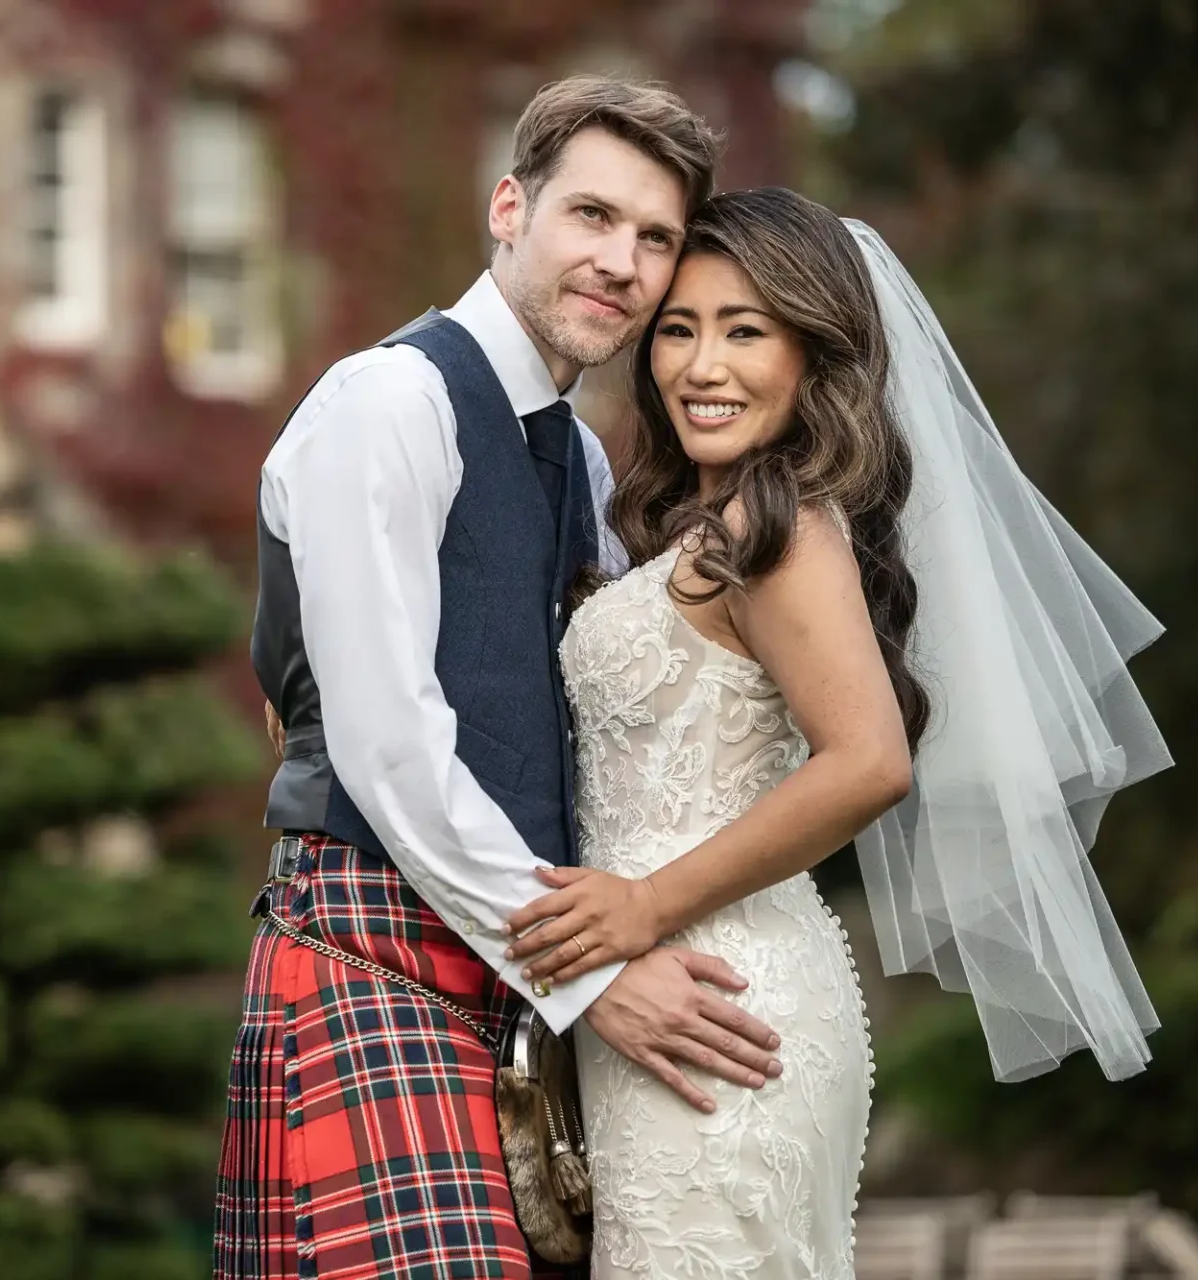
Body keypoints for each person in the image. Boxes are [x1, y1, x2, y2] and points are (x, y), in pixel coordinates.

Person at [501, 187, 1172, 1276]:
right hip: (664, 999)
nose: (702, 366)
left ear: (814, 356)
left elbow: (869, 760)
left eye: (746, 331)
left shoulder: (781, 523)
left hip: (714, 994)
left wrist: (641, 909)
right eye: (679, 329)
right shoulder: (693, 524)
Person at [215, 77, 786, 1280]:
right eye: (592, 216)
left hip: (515, 987)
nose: (623, 263)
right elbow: (388, 745)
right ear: (509, 206)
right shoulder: (388, 403)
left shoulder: (577, 456)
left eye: (656, 239)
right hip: (375, 948)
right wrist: (594, 974)